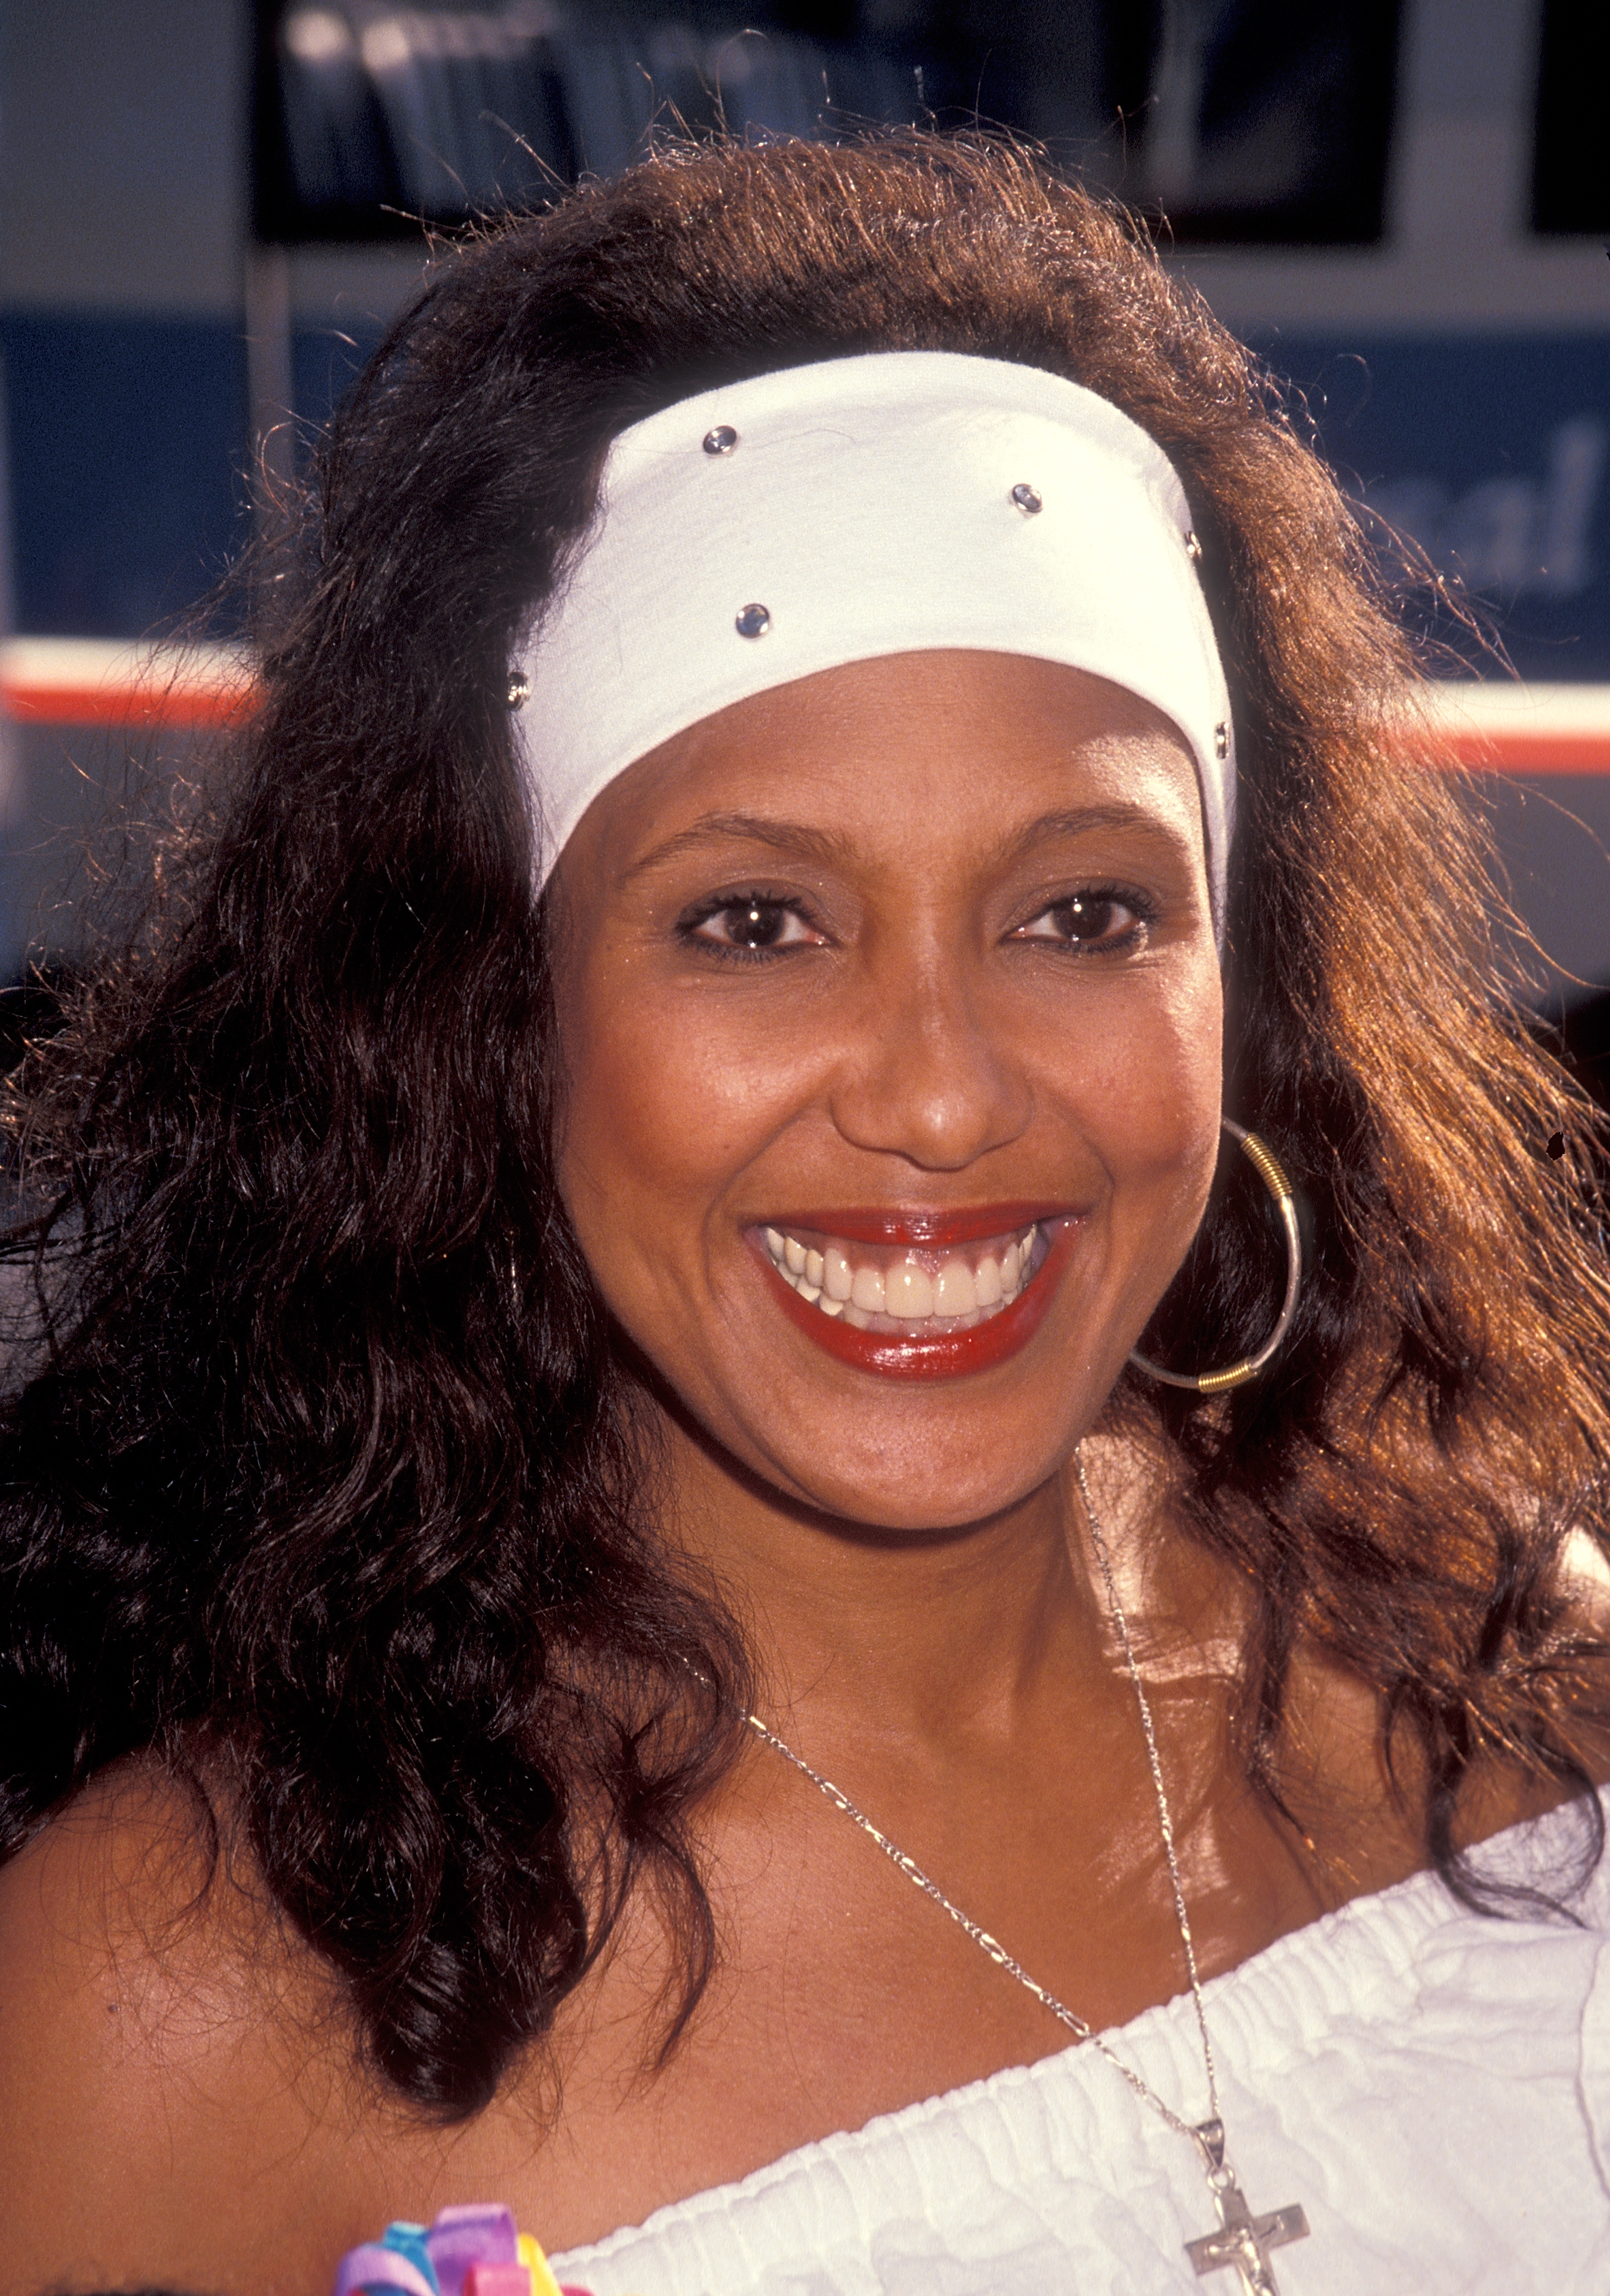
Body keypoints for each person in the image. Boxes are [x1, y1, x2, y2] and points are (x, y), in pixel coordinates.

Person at [2, 132, 1608, 2296]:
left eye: (1085, 913)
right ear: (494, 1015)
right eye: (754, 921)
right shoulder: (171, 2007)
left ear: (1241, 982)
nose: (940, 1096)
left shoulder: (1513, 1674)